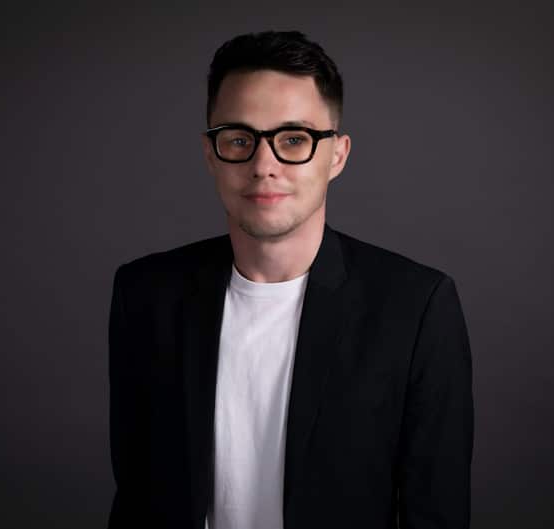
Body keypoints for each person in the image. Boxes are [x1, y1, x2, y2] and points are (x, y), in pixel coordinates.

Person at [107, 31, 473, 529]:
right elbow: (135, 500)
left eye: (294, 139)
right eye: (239, 139)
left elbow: (437, 515)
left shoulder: (416, 307)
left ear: (337, 156)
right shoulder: (146, 296)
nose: (264, 166)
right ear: (211, 153)